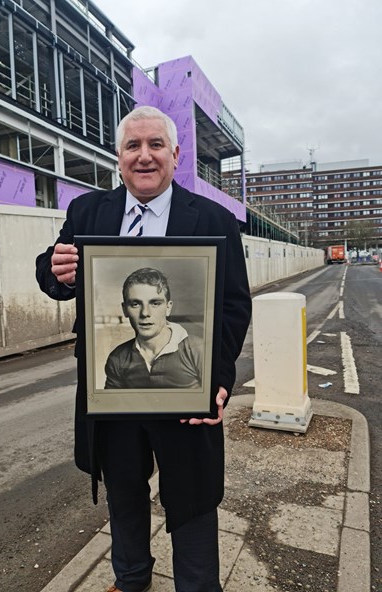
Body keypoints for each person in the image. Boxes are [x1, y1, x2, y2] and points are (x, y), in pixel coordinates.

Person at [36, 105, 252, 592]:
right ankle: (130, 580)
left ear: (176, 155)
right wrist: (56, 268)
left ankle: (197, 586)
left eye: (156, 145)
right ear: (118, 157)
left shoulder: (215, 219)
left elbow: (234, 308)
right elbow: (57, 276)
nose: (144, 156)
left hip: (186, 393)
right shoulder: (88, 211)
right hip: (114, 389)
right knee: (123, 491)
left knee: (192, 498)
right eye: (133, 146)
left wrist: (217, 381)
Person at [105, 267, 202, 389]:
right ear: (125, 310)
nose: (145, 313)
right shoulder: (118, 358)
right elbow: (111, 406)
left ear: (168, 308)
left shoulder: (197, 350)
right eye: (135, 304)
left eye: (155, 303)